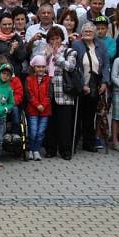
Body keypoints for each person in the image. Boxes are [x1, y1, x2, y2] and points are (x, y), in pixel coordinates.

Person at [72, 22, 110, 152]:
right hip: (81, 85)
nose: (88, 33)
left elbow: (105, 66)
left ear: (94, 34)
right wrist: (82, 84)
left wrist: (105, 82)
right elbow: (75, 67)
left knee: (91, 115)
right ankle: (75, 142)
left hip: (96, 85)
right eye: (85, 31)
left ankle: (89, 143)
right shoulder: (76, 45)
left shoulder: (101, 46)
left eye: (90, 31)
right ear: (81, 33)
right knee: (79, 115)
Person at [46, 27, 77, 160]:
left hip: (64, 91)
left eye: (57, 38)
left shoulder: (70, 51)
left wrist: (56, 55)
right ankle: (51, 149)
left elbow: (70, 66)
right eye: (52, 39)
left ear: (62, 39)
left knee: (64, 123)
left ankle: (65, 150)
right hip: (49, 91)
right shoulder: (45, 51)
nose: (54, 41)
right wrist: (46, 56)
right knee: (51, 122)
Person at [25, 55, 51, 161]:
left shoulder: (48, 79)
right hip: (33, 110)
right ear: (34, 67)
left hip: (45, 110)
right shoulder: (29, 79)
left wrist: (43, 105)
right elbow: (28, 94)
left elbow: (49, 95)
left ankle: (36, 150)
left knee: (41, 132)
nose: (40, 69)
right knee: (33, 131)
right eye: (38, 66)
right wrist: (37, 105)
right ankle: (31, 149)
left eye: (43, 67)